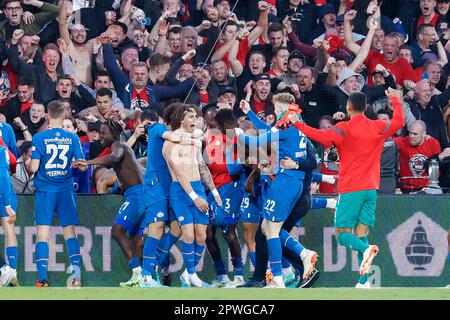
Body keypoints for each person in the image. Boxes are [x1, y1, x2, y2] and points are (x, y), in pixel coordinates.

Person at [288, 88, 405, 288]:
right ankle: (363, 282)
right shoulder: (378, 125)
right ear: (366, 107)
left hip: (351, 188)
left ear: (348, 108)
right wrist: (395, 100)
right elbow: (399, 122)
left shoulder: (343, 128)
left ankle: (367, 252)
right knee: (361, 233)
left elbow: (320, 136)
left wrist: (296, 122)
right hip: (371, 189)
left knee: (342, 235)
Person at [236, 93, 318, 288]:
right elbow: (268, 130)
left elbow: (260, 141)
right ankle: (279, 277)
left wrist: (240, 135)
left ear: (283, 106)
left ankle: (299, 259)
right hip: (295, 182)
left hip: (285, 181)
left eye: (276, 107)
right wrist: (250, 112)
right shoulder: (296, 122)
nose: (275, 111)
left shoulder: (285, 123)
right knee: (267, 228)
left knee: (271, 230)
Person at [77, 120, 146, 287]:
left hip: (136, 195)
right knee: (136, 239)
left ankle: (138, 273)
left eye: (103, 132)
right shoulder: (122, 147)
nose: (100, 135)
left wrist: (88, 162)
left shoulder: (118, 145)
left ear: (114, 134)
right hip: (139, 194)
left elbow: (114, 157)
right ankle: (143, 277)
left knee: (117, 231)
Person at [162, 104, 222, 288]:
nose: (195, 120)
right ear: (181, 119)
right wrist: (195, 197)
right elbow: (179, 174)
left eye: (196, 117)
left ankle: (188, 275)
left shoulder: (196, 141)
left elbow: (202, 167)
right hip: (180, 191)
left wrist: (214, 191)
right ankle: (192, 275)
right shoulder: (170, 143)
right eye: (191, 117)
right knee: (187, 233)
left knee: (201, 236)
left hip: (198, 188)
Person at [29, 100, 86, 288]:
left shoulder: (39, 138)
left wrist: (29, 164)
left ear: (47, 115)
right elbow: (83, 165)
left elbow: (34, 167)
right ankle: (76, 277)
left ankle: (42, 279)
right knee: (70, 233)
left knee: (43, 235)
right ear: (65, 116)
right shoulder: (72, 138)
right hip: (65, 190)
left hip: (45, 190)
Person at [0, 142, 19, 287]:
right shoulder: (3, 149)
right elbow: (13, 162)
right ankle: (11, 271)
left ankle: (6, 270)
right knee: (9, 231)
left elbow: (3, 176)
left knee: (9, 229)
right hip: (7, 193)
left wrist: (7, 204)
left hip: (4, 195)